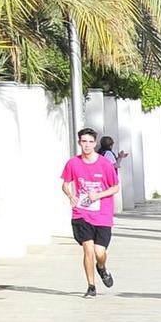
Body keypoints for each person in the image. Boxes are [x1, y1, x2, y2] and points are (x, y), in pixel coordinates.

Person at [61, 127, 121, 297]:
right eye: (83, 141)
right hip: (81, 213)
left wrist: (98, 195)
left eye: (90, 142)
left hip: (102, 214)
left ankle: (101, 268)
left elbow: (115, 187)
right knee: (88, 250)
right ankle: (91, 286)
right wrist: (70, 195)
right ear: (79, 142)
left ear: (95, 143)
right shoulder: (73, 163)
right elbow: (65, 183)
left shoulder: (105, 164)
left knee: (99, 253)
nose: (86, 145)